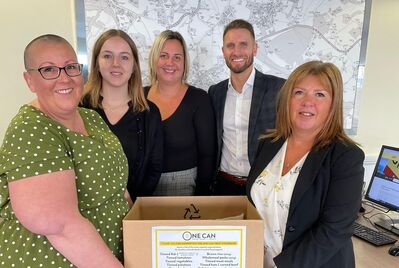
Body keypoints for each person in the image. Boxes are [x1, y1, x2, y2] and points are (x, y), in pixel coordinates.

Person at [0, 34, 127, 267]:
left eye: (70, 67)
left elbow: (116, 184)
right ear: (30, 80)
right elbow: (59, 226)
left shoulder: (91, 118)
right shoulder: (31, 129)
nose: (64, 78)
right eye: (48, 70)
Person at [246, 60, 365, 268]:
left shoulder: (346, 157)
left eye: (320, 94)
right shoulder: (268, 144)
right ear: (288, 100)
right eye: (299, 92)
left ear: (333, 104)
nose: (307, 102)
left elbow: (334, 231)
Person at [81, 29, 163, 205]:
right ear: (96, 62)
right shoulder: (79, 109)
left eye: (124, 57)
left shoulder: (150, 113)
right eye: (107, 56)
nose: (116, 64)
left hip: (133, 212)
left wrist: (133, 207)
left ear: (134, 66)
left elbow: (154, 169)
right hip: (87, 214)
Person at [208, 19, 285, 195]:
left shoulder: (279, 89)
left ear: (255, 48)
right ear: (223, 51)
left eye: (243, 44)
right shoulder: (215, 92)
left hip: (265, 187)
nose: (236, 51)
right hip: (223, 186)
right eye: (230, 45)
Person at [145, 30, 216, 196]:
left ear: (184, 63)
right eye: (163, 55)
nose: (170, 62)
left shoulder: (199, 99)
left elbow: (207, 156)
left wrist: (200, 199)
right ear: (154, 59)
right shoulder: (138, 96)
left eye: (177, 57)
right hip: (142, 187)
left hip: (184, 190)